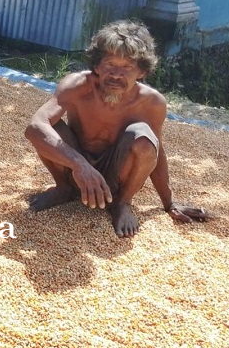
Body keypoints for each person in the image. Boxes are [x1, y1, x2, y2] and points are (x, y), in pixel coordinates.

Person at [24, 20, 209, 237]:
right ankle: (64, 188)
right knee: (50, 127)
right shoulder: (77, 85)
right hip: (75, 168)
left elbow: (155, 152)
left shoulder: (151, 102)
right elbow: (34, 127)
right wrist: (79, 165)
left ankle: (122, 204)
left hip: (116, 178)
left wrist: (169, 203)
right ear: (97, 65)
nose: (116, 74)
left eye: (127, 67)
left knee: (143, 137)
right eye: (110, 63)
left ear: (141, 71)